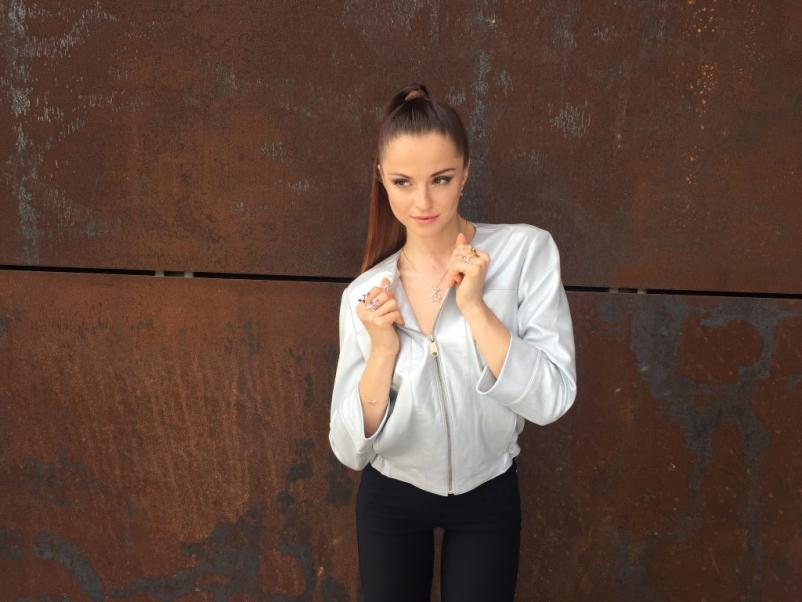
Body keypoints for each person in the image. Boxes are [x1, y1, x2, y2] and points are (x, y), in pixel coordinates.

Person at [329, 83, 577, 602]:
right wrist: (382, 351)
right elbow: (350, 448)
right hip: (392, 498)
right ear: (382, 179)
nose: (422, 202)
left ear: (465, 173)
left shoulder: (525, 252)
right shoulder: (366, 295)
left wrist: (476, 309)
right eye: (403, 182)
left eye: (440, 179)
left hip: (487, 491)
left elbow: (551, 398)